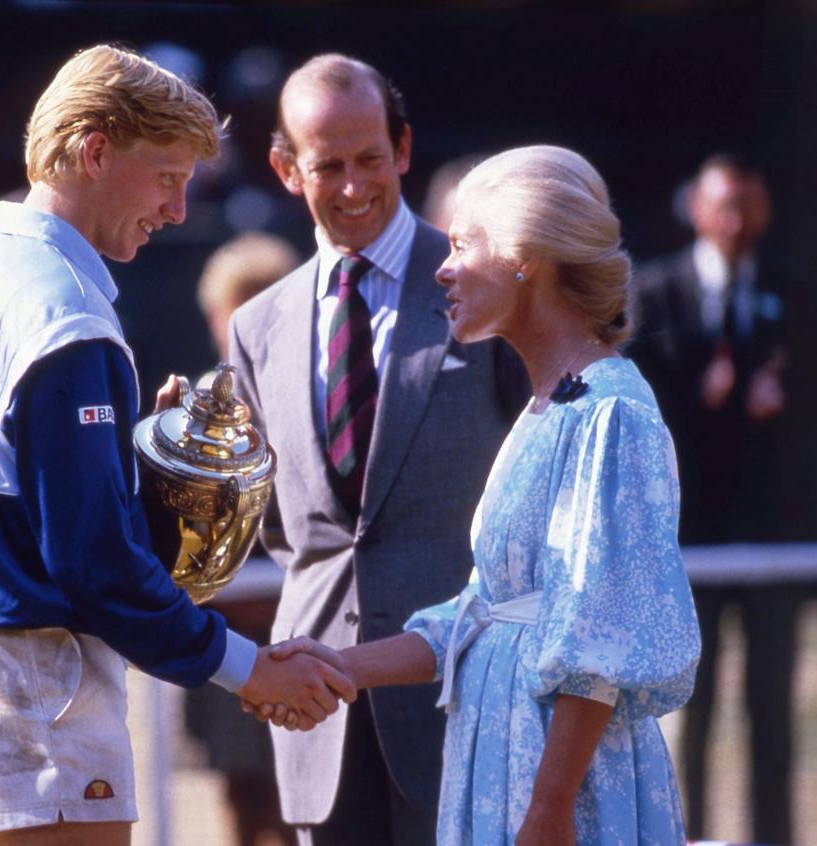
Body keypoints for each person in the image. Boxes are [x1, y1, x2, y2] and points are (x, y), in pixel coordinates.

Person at [0, 45, 354, 846]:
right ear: (95, 150)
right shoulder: (65, 311)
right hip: (42, 696)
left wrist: (135, 470)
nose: (178, 209)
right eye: (167, 177)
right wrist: (251, 668)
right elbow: (92, 563)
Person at [265, 144, 701, 845]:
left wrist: (550, 808)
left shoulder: (608, 412)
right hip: (501, 761)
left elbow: (599, 632)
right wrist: (338, 665)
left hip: (557, 788)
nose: (441, 265)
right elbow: (483, 614)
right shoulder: (549, 407)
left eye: (463, 243)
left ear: (526, 255)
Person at [228, 54, 527, 845]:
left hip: (468, 702)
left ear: (403, 149)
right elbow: (287, 534)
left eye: (371, 159)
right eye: (329, 165)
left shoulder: (484, 285)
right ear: (287, 170)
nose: (355, 186)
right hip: (316, 713)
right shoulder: (257, 327)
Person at [629, 154, 792, 844]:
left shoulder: (788, 293)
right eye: (722, 206)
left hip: (770, 537)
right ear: (696, 209)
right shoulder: (657, 293)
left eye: (747, 208)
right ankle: (683, 834)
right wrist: (704, 395)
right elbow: (641, 404)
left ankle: (775, 835)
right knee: (686, 705)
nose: (734, 223)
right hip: (687, 539)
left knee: (772, 708)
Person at [185, 232, 300, 846]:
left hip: (298, 632)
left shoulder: (310, 393)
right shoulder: (201, 406)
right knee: (242, 794)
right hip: (227, 638)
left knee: (296, 797)